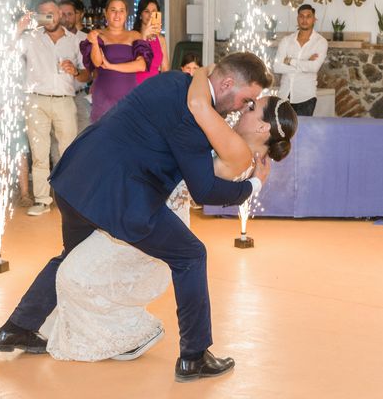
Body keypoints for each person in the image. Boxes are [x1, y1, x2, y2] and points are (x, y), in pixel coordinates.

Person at [0, 52, 273, 382]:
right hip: (121, 195)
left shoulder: (172, 81)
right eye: (246, 98)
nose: (244, 106)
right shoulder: (194, 118)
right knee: (191, 255)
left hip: (76, 177)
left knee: (72, 256)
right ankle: (194, 356)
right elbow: (205, 191)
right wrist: (252, 187)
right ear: (227, 83)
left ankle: (15, 329)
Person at [40, 67, 297, 363]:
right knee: (83, 266)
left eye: (254, 107)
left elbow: (199, 107)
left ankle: (191, 353)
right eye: (249, 100)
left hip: (152, 208)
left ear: (263, 129)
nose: (246, 108)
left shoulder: (237, 149)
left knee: (89, 267)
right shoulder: (230, 138)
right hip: (145, 202)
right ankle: (188, 354)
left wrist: (200, 73)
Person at [18, 0, 88, 216]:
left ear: (59, 13)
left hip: (65, 100)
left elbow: (87, 74)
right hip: (36, 100)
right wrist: (19, 28)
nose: (48, 18)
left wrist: (75, 72)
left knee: (69, 152)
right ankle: (41, 200)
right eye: (43, 14)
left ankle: (70, 199)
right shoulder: (30, 38)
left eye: (51, 13)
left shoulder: (75, 40)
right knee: (39, 153)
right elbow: (7, 52)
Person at [80, 0, 152, 122]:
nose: (117, 14)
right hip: (103, 95)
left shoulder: (134, 35)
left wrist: (111, 66)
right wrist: (95, 43)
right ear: (106, 13)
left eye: (121, 10)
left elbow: (141, 65)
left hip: (129, 95)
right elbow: (97, 62)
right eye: (113, 10)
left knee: (129, 137)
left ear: (126, 14)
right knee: (103, 136)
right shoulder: (97, 34)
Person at [273, 3, 328, 116]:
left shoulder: (321, 42)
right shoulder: (286, 40)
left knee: (303, 131)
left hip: (306, 97)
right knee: (283, 132)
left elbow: (314, 68)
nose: (304, 19)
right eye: (301, 16)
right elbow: (277, 67)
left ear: (314, 19)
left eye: (308, 16)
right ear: (298, 18)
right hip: (284, 95)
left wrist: (290, 61)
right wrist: (305, 63)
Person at [58, 0, 91, 135]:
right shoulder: (46, 40)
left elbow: (90, 74)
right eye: (62, 14)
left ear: (77, 15)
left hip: (79, 96)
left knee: (82, 140)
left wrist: (76, 71)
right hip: (57, 98)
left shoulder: (85, 39)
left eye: (70, 14)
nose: (66, 18)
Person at [133, 0, 169, 84]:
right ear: (140, 15)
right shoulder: (132, 36)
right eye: (146, 11)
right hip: (135, 87)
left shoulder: (161, 39)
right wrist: (144, 35)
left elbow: (165, 69)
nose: (150, 15)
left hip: (154, 87)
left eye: (154, 12)